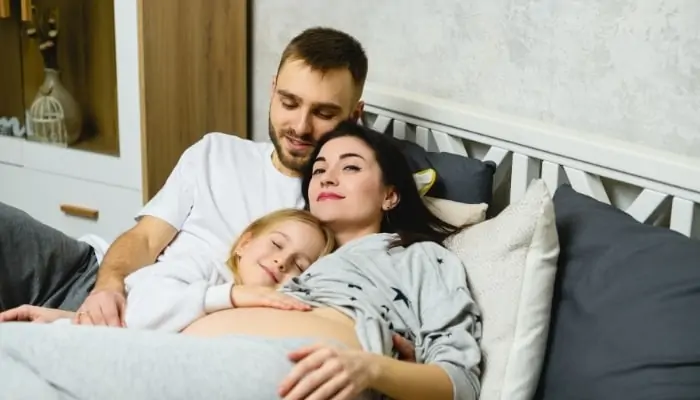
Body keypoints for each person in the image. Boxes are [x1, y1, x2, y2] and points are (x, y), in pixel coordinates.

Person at [0, 121, 482, 400]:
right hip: (181, 352)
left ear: (392, 194)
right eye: (319, 168)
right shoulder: (294, 257)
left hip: (290, 371)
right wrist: (78, 319)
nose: (327, 176)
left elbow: (460, 379)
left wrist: (371, 370)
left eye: (350, 167)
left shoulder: (418, 259)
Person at [0, 26, 369, 327]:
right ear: (272, 90)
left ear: (355, 117)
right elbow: (144, 240)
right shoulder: (216, 151)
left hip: (157, 319)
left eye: (323, 113)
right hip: (93, 276)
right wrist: (106, 288)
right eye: (289, 103)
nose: (300, 126)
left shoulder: (341, 209)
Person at [1, 209, 336, 333]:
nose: (282, 262)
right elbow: (143, 310)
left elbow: (137, 330)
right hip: (89, 273)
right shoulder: (205, 266)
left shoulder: (253, 317)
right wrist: (230, 294)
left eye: (299, 266)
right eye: (276, 245)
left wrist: (61, 321)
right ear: (243, 244)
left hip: (85, 323)